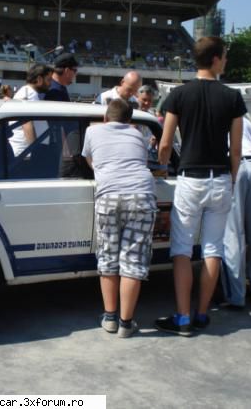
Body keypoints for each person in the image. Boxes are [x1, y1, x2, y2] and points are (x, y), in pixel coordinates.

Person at [154, 36, 246, 336]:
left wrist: (164, 165)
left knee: (181, 249)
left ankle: (182, 317)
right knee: (212, 249)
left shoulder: (179, 95)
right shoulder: (232, 97)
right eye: (226, 57)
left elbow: (166, 142)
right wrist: (231, 179)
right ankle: (203, 313)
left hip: (190, 178)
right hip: (219, 178)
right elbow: (236, 150)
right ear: (217, 59)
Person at [82, 98, 157, 338]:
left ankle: (110, 318)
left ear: (106, 118)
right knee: (133, 259)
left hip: (108, 195)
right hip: (141, 195)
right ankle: (126, 323)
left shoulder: (92, 131)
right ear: (129, 120)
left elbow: (90, 161)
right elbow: (142, 162)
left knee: (108, 255)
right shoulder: (138, 134)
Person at [220, 115, 251, 309]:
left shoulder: (219, 117)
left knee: (233, 233)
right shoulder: (245, 120)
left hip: (234, 166)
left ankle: (236, 295)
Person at [9, 64, 53, 156]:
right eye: (48, 80)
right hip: (26, 152)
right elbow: (27, 125)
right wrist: (34, 151)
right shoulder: (30, 95)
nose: (50, 84)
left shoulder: (27, 92)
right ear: (39, 79)